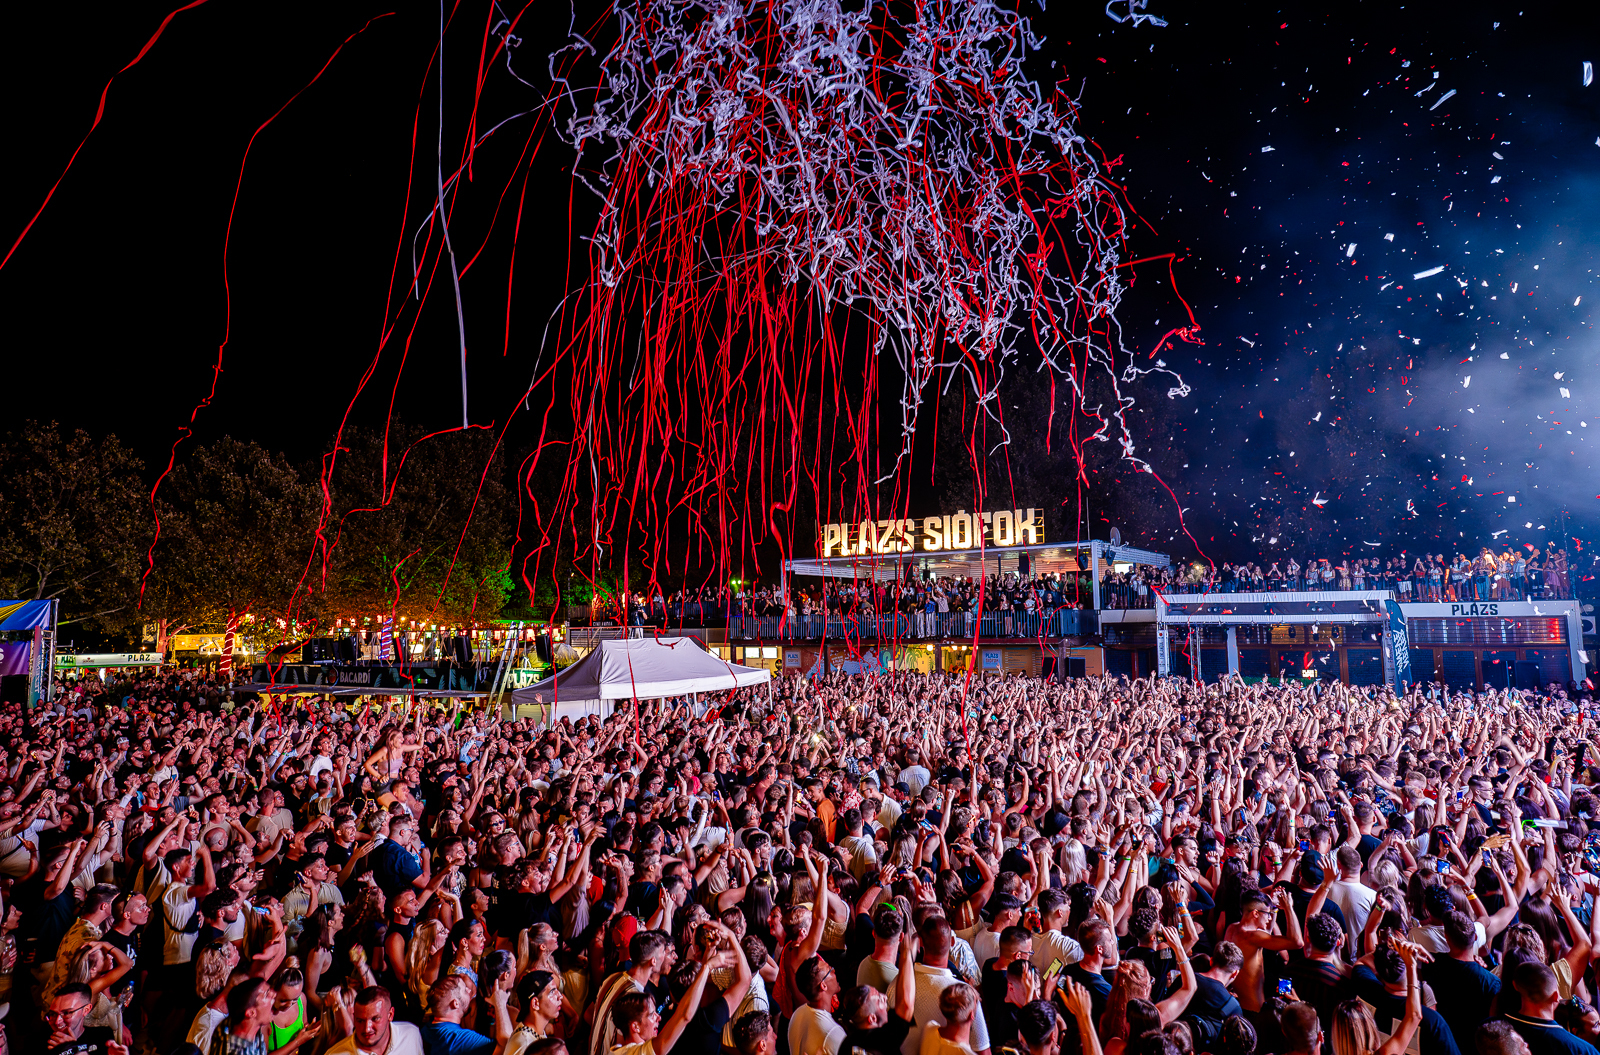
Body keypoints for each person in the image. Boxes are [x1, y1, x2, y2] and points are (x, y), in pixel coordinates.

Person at [325, 986, 426, 1055]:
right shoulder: (335, 1053)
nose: (367, 1028)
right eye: (360, 1020)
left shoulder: (411, 1035)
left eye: (375, 1019)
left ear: (390, 1015)